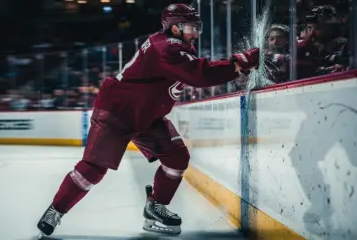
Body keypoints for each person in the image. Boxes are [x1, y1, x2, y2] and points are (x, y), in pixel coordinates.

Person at [36, 3, 260, 237]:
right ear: (174, 28)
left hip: (146, 115)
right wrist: (238, 62)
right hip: (117, 112)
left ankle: (155, 207)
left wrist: (233, 70)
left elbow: (194, 71)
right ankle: (55, 210)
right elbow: (198, 74)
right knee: (93, 169)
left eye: (197, 27)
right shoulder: (167, 48)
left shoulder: (176, 47)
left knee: (177, 157)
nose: (195, 32)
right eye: (190, 27)